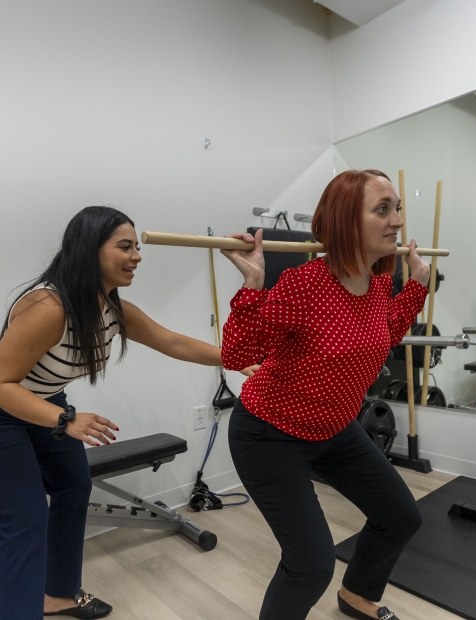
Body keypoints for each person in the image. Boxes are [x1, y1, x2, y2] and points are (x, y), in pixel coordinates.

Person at [0, 206, 255, 620]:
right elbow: (1, 385)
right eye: (124, 246)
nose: (136, 255)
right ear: (89, 251)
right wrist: (66, 421)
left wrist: (237, 359)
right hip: (6, 412)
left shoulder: (111, 309)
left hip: (47, 405)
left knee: (73, 487)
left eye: (136, 246)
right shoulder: (48, 307)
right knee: (25, 518)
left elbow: (172, 342)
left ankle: (58, 595)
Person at [220, 169, 430, 620]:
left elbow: (387, 333)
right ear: (346, 222)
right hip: (268, 435)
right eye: (383, 209)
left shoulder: (377, 287)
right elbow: (237, 353)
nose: (397, 221)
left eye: (398, 209)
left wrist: (418, 284)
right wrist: (254, 283)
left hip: (335, 429)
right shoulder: (304, 285)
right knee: (311, 566)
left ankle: (356, 595)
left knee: (401, 517)